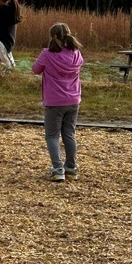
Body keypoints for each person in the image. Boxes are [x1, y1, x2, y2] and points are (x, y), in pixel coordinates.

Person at [31, 22, 84, 182]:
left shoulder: (47, 54)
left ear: (52, 37)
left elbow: (35, 70)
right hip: (73, 99)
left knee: (52, 135)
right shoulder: (76, 53)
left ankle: (57, 169)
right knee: (69, 134)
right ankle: (71, 169)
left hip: (55, 101)